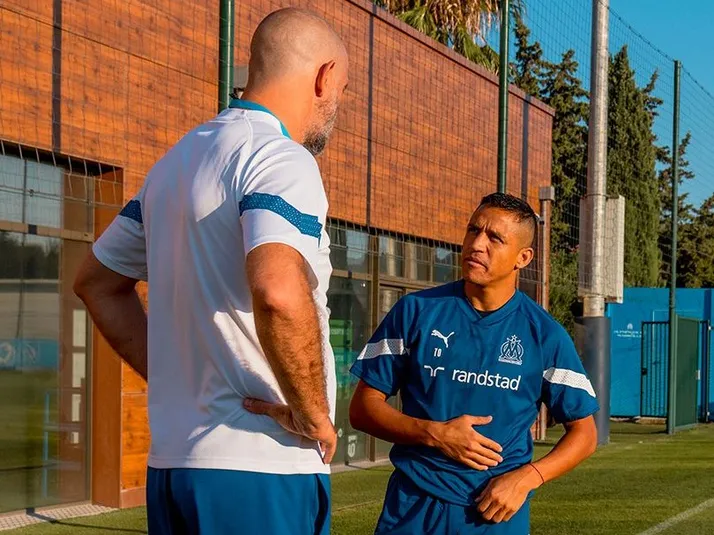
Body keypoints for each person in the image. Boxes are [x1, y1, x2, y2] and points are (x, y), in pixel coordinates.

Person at [73, 8, 349, 535]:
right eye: (343, 88)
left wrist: (175, 375)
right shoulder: (282, 159)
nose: (339, 102)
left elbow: (96, 283)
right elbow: (277, 288)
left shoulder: (176, 163)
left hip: (173, 466)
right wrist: (313, 413)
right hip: (261, 464)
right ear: (324, 76)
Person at [349, 192, 599, 534]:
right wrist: (435, 434)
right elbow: (362, 408)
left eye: (495, 238)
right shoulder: (416, 311)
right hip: (413, 506)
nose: (477, 244)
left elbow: (585, 433)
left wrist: (528, 478)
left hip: (494, 513)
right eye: (473, 230)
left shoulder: (545, 335)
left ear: (523, 257)